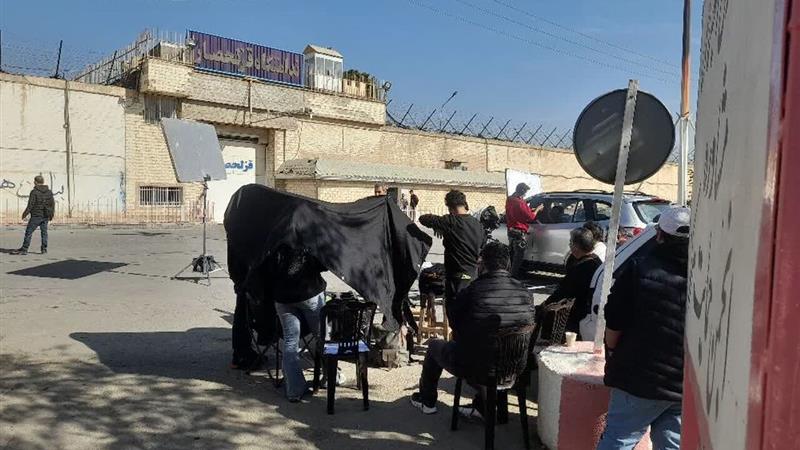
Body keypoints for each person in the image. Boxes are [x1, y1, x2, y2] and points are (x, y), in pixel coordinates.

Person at [596, 207, 690, 450]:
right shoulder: (708, 274)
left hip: (640, 378)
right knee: (672, 444)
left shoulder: (639, 269)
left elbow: (614, 319)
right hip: (683, 382)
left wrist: (613, 350)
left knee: (618, 439)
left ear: (659, 235)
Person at [409, 242, 535, 415]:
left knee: (433, 346)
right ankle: (482, 406)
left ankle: (427, 400)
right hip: (515, 367)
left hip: (477, 367)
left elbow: (455, 324)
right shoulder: (525, 292)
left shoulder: (473, 290)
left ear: (482, 264)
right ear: (508, 264)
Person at [269, 245, 328, 402]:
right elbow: (323, 264)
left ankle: (294, 390)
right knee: (322, 336)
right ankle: (329, 377)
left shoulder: (273, 239)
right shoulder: (306, 237)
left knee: (290, 341)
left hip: (282, 297)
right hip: (309, 293)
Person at [419, 190, 485, 305]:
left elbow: (423, 218)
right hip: (473, 275)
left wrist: (438, 227)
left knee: (456, 313)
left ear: (450, 207)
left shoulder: (450, 221)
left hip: (456, 278)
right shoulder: (477, 224)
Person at [540, 227, 601, 334]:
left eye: (570, 242)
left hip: (581, 313)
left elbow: (562, 292)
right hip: (590, 308)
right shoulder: (597, 260)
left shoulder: (581, 268)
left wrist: (544, 306)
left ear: (576, 246)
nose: (569, 245)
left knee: (547, 314)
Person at [504, 183, 543, 278]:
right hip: (519, 232)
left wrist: (529, 209)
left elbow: (519, 212)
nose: (525, 195)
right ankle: (512, 277)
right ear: (522, 191)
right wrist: (538, 209)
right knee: (518, 256)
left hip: (511, 230)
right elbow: (531, 217)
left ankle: (507, 273)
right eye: (525, 193)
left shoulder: (510, 200)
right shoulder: (520, 202)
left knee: (511, 254)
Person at [12, 175, 55, 255]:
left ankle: (24, 249)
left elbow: (30, 205)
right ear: (43, 182)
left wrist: (24, 214)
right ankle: (44, 249)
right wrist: (51, 215)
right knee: (44, 233)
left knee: (29, 232)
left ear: (35, 182)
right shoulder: (49, 192)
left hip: (36, 216)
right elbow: (52, 204)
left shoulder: (34, 192)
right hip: (45, 215)